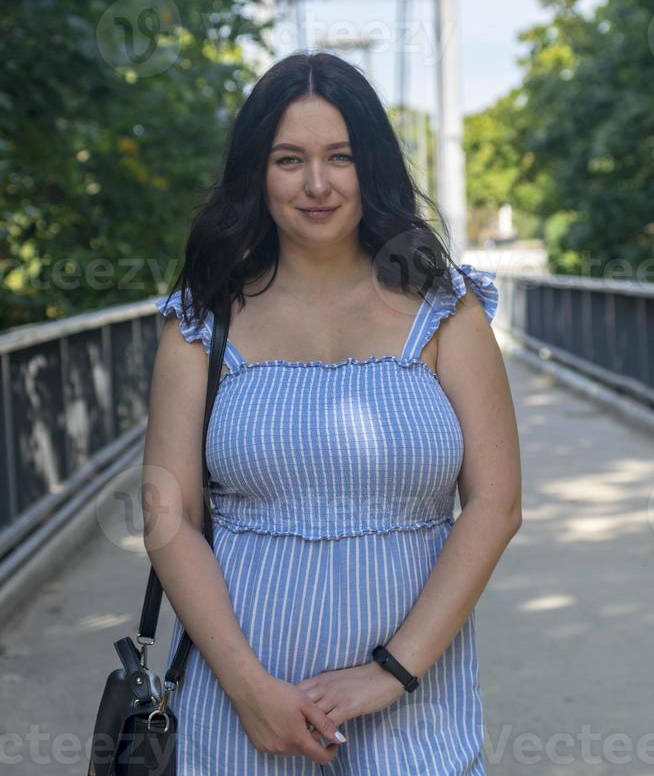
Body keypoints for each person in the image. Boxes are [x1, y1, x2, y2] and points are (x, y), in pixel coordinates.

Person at [143, 50, 522, 775]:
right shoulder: (202, 321)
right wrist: (250, 691)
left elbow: (496, 503)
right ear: (258, 171)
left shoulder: (444, 310)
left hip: (417, 709)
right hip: (243, 709)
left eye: (339, 157)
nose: (316, 184)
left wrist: (391, 672)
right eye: (289, 159)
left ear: (369, 166)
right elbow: (169, 516)